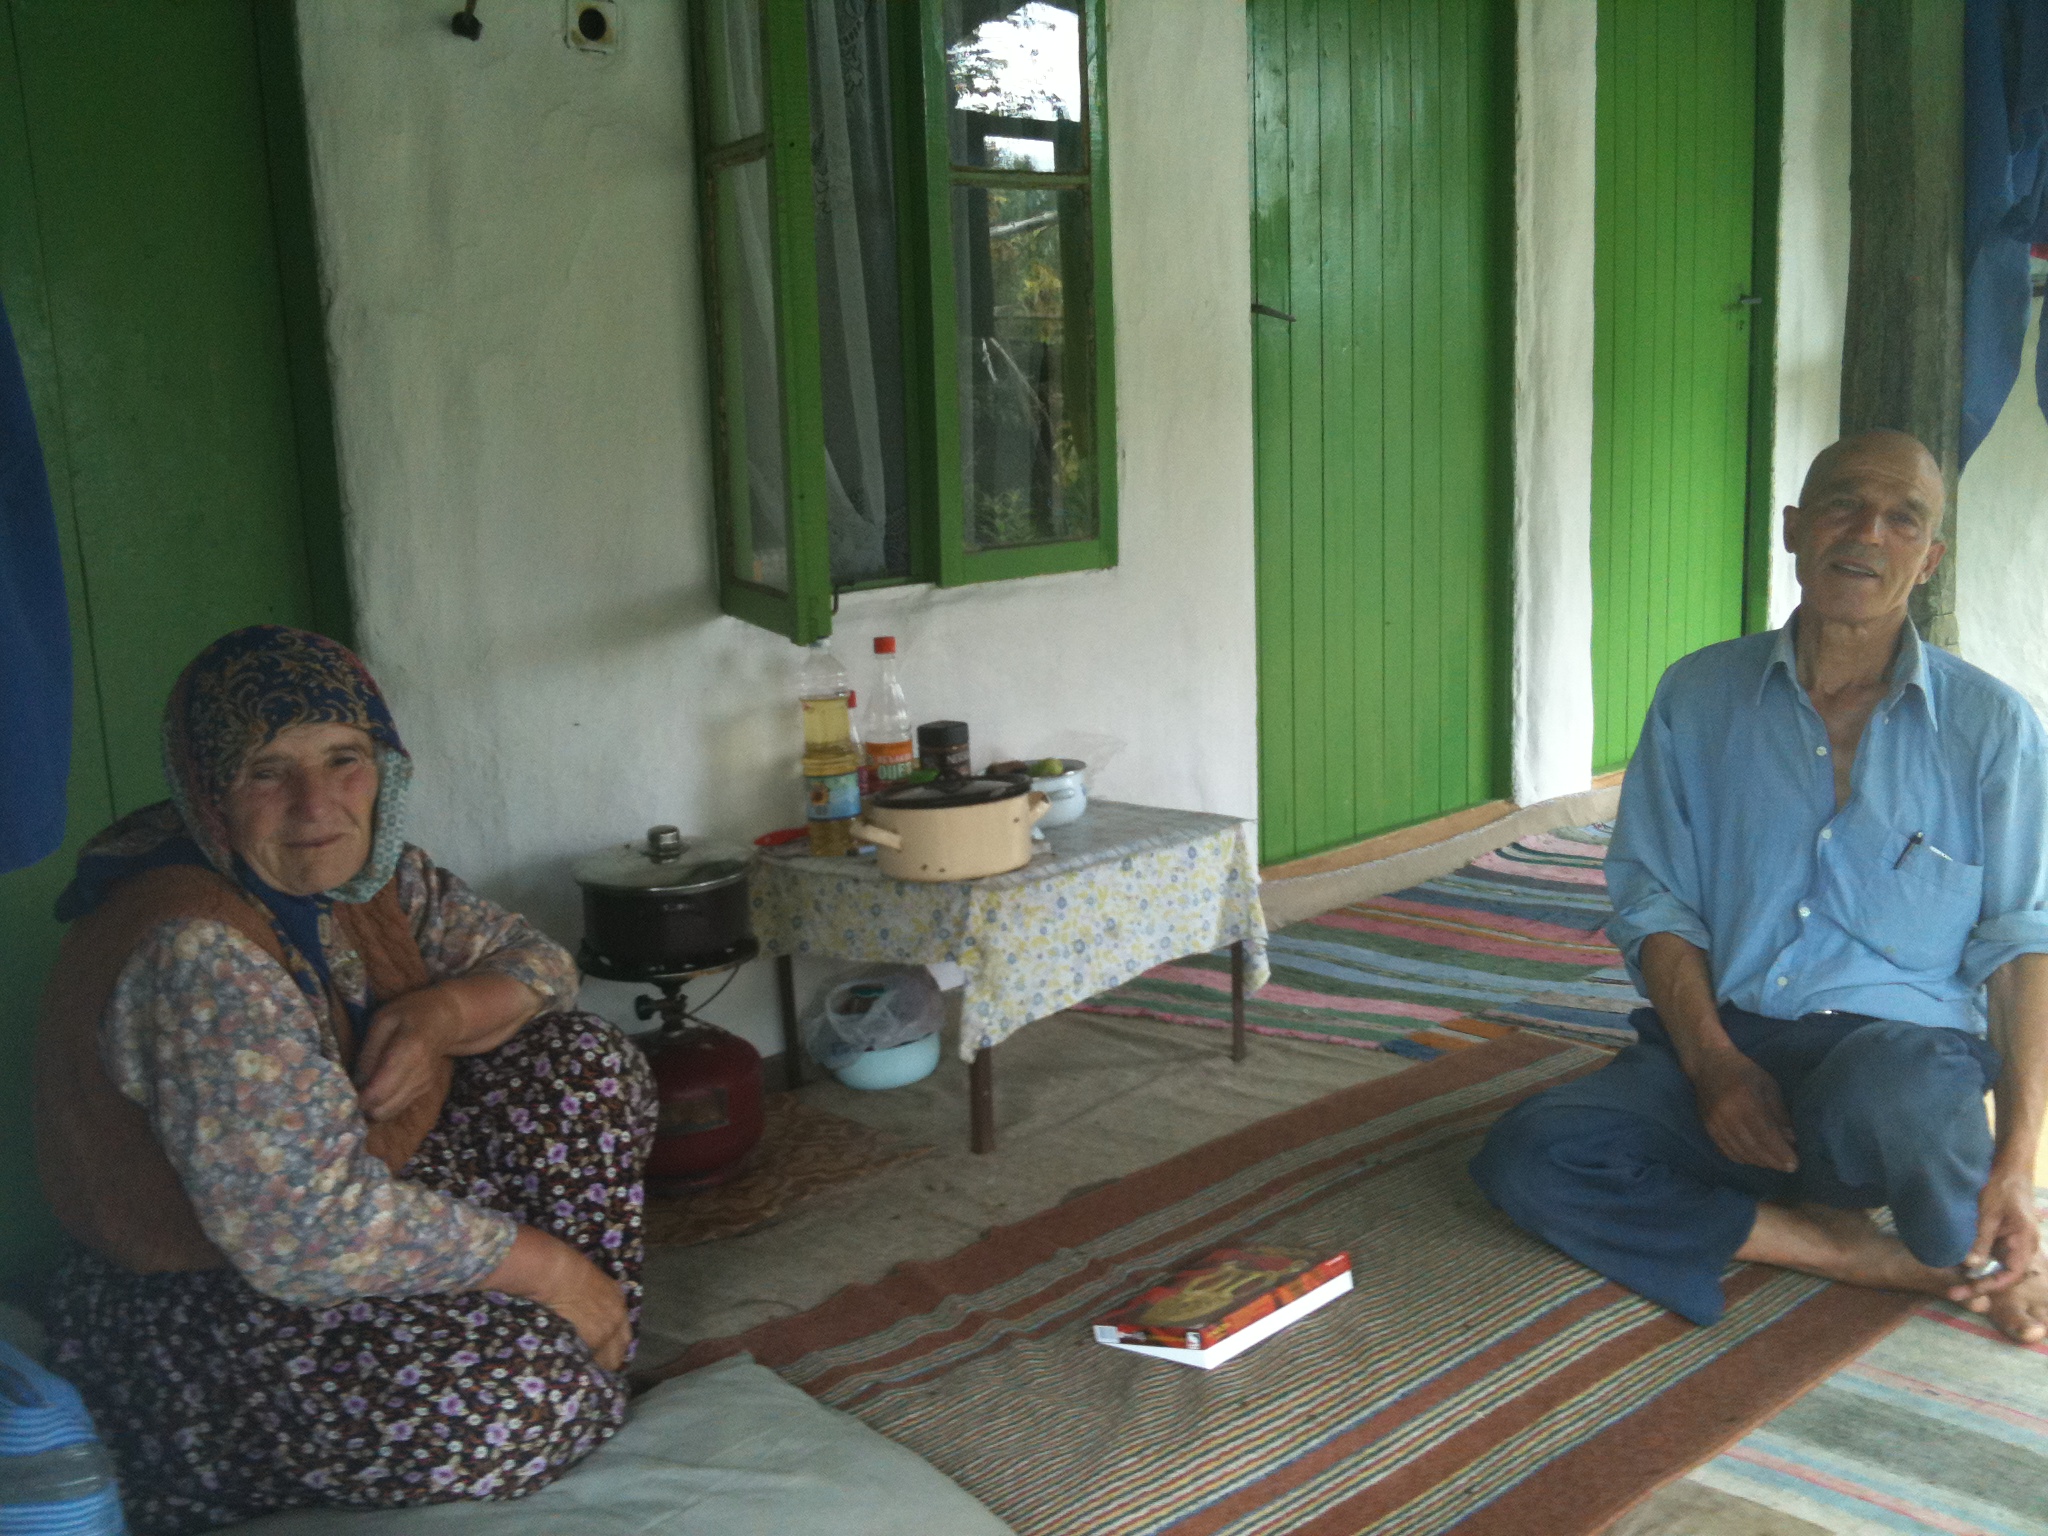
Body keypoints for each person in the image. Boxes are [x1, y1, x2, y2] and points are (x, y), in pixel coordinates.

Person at [32, 625, 659, 1533]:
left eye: (345, 759)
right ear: (209, 791)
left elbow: (540, 964)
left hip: (365, 1204)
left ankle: (591, 1336)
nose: (316, 804)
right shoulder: (196, 951)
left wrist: (441, 1016)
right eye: (266, 771)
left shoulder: (371, 874)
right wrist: (552, 1270)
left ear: (383, 766)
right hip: (212, 1285)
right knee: (514, 1403)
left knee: (581, 1064)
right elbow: (304, 1234)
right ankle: (187, 1453)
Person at [1471, 429, 2048, 1343]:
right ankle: (1850, 1251)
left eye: (1903, 519)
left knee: (1910, 1107)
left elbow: (2021, 948)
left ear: (1930, 559)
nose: (1867, 533)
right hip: (1734, 1043)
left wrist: (2016, 1166)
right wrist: (1712, 1065)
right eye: (1843, 503)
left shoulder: (1992, 727)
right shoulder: (1699, 696)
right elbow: (1654, 901)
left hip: (1894, 1062)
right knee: (1530, 1156)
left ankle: (1959, 1237)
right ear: (1793, 527)